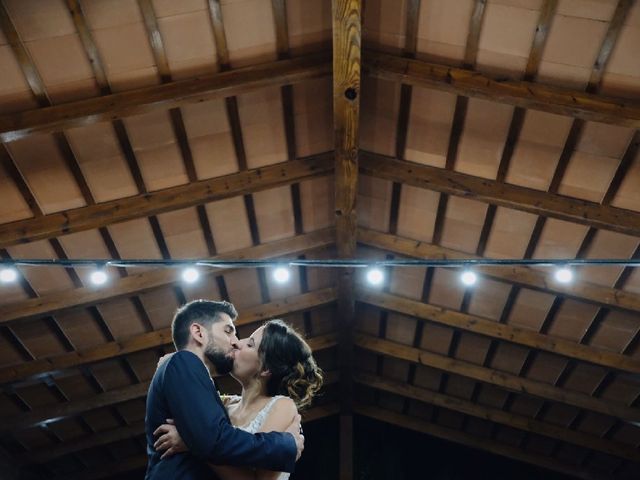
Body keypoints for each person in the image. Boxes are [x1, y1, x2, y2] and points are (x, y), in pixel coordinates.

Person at [144, 300, 304, 480]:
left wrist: (191, 441)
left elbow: (209, 439)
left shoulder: (278, 405)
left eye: (250, 344)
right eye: (228, 331)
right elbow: (212, 439)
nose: (236, 342)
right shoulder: (184, 363)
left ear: (267, 368)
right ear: (198, 333)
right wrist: (286, 445)